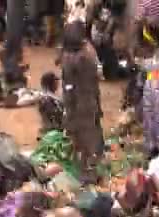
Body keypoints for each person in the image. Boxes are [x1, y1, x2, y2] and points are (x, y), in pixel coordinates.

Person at [61, 21, 104, 184]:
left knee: (84, 137)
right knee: (90, 133)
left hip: (81, 102)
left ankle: (88, 172)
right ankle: (92, 164)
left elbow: (70, 85)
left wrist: (68, 108)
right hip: (88, 99)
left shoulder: (81, 57)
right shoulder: (87, 51)